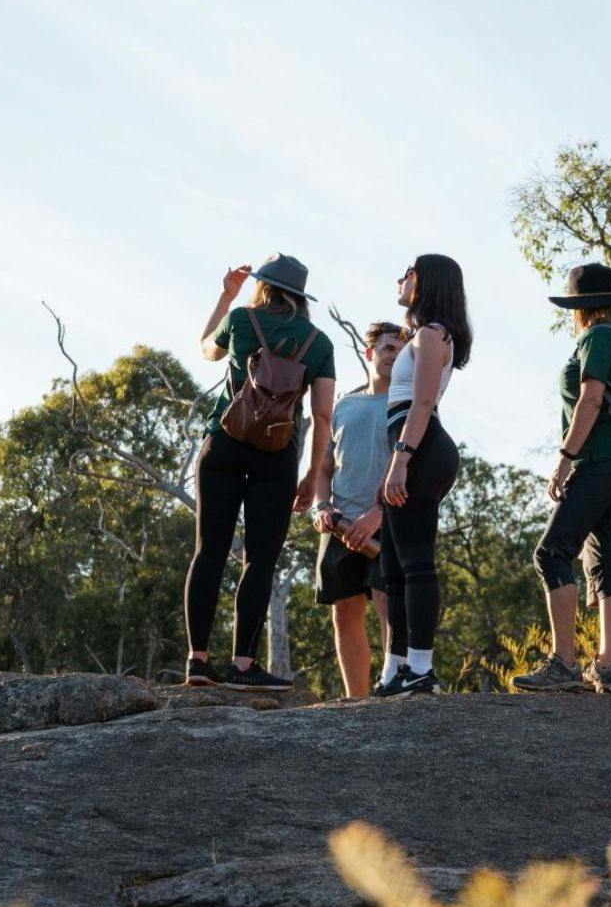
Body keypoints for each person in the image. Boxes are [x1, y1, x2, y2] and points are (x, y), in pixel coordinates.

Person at [185, 253, 336, 691]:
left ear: (263, 286)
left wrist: (226, 295)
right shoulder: (319, 343)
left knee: (208, 551)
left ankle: (197, 661)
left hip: (224, 442)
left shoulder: (241, 319)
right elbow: (323, 415)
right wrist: (311, 475)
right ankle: (244, 666)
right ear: (300, 296)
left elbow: (205, 349)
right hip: (277, 454)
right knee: (260, 560)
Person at [513, 263, 611, 694]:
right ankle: (607, 667)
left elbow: (590, 399)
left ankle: (564, 663)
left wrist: (565, 458)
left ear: (581, 307)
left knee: (551, 552)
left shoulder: (597, 337)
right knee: (609, 561)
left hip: (597, 460)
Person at [374, 254, 472, 698]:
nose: (400, 278)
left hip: (422, 448)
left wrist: (401, 458)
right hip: (410, 446)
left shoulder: (434, 334)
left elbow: (424, 402)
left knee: (415, 564)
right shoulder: (419, 335)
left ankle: (421, 669)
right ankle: (393, 669)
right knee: (392, 567)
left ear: (427, 281)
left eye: (408, 272)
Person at [310, 321, 407, 698]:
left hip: (388, 522)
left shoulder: (410, 405)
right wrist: (322, 506)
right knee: (344, 614)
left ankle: (391, 689)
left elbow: (413, 467)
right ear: (370, 354)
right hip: (340, 525)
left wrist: (377, 515)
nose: (393, 355)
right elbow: (323, 468)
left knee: (389, 606)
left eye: (400, 350)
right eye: (387, 348)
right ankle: (357, 701)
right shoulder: (343, 406)